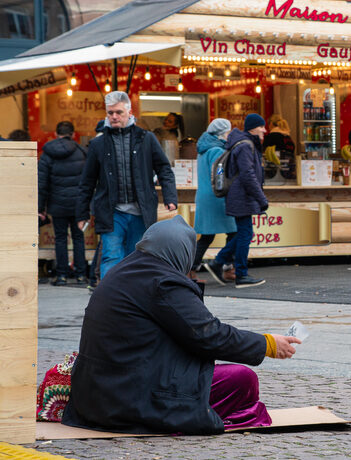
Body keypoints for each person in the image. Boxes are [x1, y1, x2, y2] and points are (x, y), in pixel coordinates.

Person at [62, 215, 300, 434]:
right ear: (183, 252)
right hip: (130, 399)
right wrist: (267, 343)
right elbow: (210, 335)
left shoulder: (123, 271)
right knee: (243, 379)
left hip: (95, 397)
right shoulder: (163, 281)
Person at [75, 91, 177, 279]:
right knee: (111, 257)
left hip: (141, 210)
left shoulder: (146, 138)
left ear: (129, 112)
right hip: (111, 211)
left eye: (119, 112)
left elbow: (164, 168)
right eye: (110, 113)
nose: (114, 116)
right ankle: (110, 302)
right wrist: (82, 213)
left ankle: (132, 301)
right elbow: (87, 182)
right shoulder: (98, 144)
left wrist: (170, 197)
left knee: (137, 258)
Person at [204, 113, 268, 288]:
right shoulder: (245, 146)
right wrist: (261, 198)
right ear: (253, 128)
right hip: (242, 197)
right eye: (261, 126)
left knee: (244, 233)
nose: (264, 130)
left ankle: (219, 261)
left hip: (240, 196)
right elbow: (247, 175)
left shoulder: (242, 143)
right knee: (245, 234)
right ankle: (241, 274)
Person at [38, 121, 87, 286]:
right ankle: (81, 276)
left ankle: (62, 276)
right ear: (73, 134)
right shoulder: (82, 152)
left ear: (55, 134)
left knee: (60, 238)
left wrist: (40, 208)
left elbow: (42, 183)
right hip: (78, 204)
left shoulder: (47, 153)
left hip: (57, 204)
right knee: (78, 238)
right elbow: (89, 181)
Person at [192, 118, 237, 282]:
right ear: (222, 133)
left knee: (206, 237)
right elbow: (221, 176)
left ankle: (190, 270)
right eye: (228, 132)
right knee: (235, 233)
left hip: (204, 196)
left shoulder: (203, 149)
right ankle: (227, 267)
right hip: (218, 198)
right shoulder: (218, 150)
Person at [263, 115, 296, 180]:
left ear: (271, 124)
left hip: (273, 173)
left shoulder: (271, 136)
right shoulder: (287, 136)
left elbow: (263, 151)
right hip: (289, 171)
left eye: (268, 124)